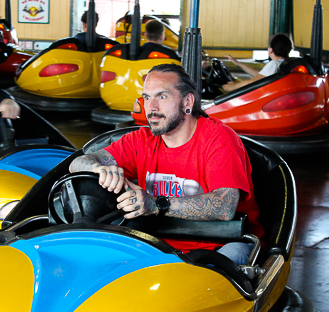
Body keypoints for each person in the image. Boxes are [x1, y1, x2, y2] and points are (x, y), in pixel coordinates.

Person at [68, 63, 263, 265]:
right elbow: (78, 163)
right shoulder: (140, 140)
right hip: (155, 244)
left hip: (218, 245)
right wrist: (100, 169)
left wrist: (156, 203)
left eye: (162, 97)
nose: (151, 107)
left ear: (187, 101)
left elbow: (224, 206)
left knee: (230, 257)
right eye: (146, 97)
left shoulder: (219, 139)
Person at [222, 33, 293, 92]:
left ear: (271, 50)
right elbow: (261, 75)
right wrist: (239, 64)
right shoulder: (284, 63)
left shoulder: (274, 64)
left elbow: (252, 83)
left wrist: (230, 87)